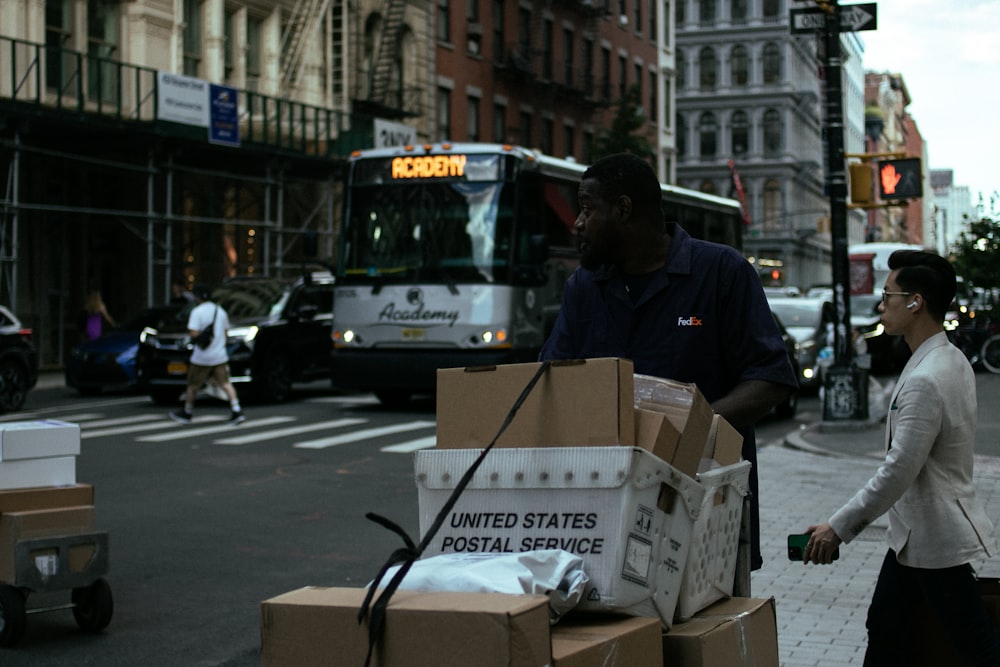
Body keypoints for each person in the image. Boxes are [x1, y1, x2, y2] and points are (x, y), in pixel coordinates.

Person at [539, 153, 798, 570]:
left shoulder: (721, 272)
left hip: (706, 509)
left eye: (587, 209)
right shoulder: (584, 287)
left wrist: (685, 432)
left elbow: (770, 379)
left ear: (623, 210)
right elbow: (552, 383)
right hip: (607, 510)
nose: (578, 223)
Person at [800, 249, 1000, 665]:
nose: (880, 305)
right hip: (913, 536)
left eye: (888, 295)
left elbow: (897, 471)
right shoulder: (950, 357)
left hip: (935, 537)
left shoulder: (927, 377)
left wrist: (838, 528)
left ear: (915, 302)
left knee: (974, 643)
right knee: (886, 626)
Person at [169, 283, 246, 426]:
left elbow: (193, 333)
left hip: (201, 357)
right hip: (219, 355)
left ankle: (187, 411)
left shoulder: (197, 312)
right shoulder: (220, 311)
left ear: (197, 297)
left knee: (193, 385)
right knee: (226, 383)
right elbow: (226, 333)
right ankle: (236, 410)